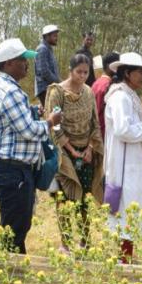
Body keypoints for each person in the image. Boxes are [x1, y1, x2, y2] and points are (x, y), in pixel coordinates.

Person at [0, 38, 62, 254]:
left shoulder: (2, 87)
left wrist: (30, 112)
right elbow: (28, 131)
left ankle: (12, 276)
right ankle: (10, 278)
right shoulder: (10, 91)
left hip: (13, 169)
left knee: (16, 227)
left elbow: (15, 124)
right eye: (22, 60)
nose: (27, 64)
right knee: (14, 230)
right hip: (14, 171)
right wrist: (50, 122)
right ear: (9, 63)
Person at [103, 52, 142, 263]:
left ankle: (126, 257)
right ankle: (122, 260)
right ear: (127, 73)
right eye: (140, 72)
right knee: (126, 213)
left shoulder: (129, 97)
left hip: (132, 164)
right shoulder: (120, 97)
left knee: (131, 213)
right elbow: (123, 129)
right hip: (124, 167)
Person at [45, 53, 104, 249]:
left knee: (85, 199)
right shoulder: (58, 92)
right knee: (64, 199)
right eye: (79, 72)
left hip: (85, 153)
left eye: (86, 72)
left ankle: (85, 241)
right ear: (70, 71)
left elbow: (94, 123)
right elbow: (54, 126)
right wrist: (71, 149)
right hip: (64, 153)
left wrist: (89, 148)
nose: (82, 76)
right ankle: (66, 243)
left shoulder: (88, 92)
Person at [92, 51, 119, 138]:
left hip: (95, 132)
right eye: (117, 66)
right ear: (108, 66)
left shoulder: (96, 83)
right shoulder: (109, 86)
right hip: (104, 134)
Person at [34, 24, 60, 105]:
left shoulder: (48, 49)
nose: (57, 38)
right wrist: (58, 82)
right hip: (45, 89)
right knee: (51, 114)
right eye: (54, 36)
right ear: (47, 36)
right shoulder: (42, 49)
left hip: (50, 88)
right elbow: (44, 72)